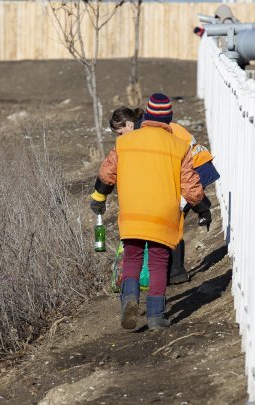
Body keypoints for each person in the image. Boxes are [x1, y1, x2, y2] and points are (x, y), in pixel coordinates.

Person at [90, 93, 204, 330]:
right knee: (158, 263)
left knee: (131, 257)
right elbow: (191, 188)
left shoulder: (125, 142)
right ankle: (155, 316)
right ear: (169, 118)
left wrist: (98, 197)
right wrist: (202, 207)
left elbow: (107, 173)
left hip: (132, 212)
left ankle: (129, 298)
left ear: (148, 116)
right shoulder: (179, 146)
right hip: (163, 215)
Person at [109, 105, 220, 285]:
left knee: (173, 216)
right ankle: (172, 271)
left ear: (129, 125)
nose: (120, 138)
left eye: (120, 133)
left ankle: (176, 272)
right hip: (196, 167)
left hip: (196, 168)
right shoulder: (149, 128)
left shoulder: (148, 131)